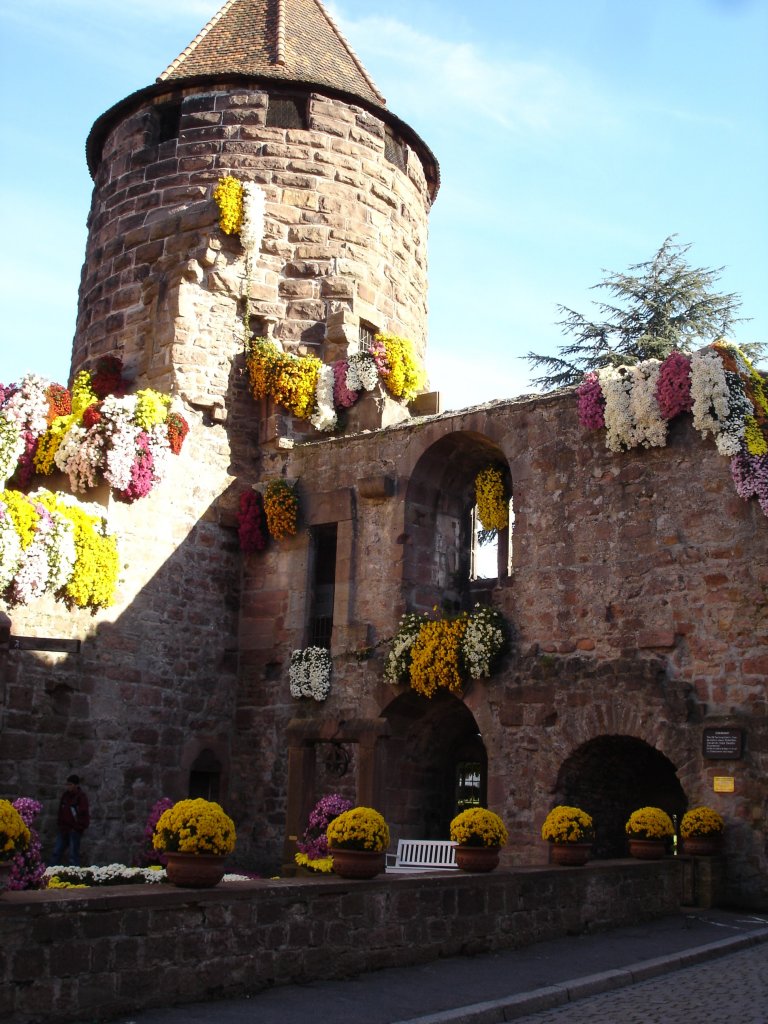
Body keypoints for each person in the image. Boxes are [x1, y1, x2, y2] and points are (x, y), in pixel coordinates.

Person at [52, 774, 90, 866]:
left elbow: (83, 814)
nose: (68, 786)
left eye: (70, 784)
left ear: (76, 785)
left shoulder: (81, 797)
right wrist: (61, 825)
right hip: (64, 829)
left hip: (74, 830)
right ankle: (50, 874)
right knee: (56, 852)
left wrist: (77, 827)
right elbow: (61, 812)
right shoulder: (65, 796)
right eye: (67, 784)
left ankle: (74, 877)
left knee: (73, 855)